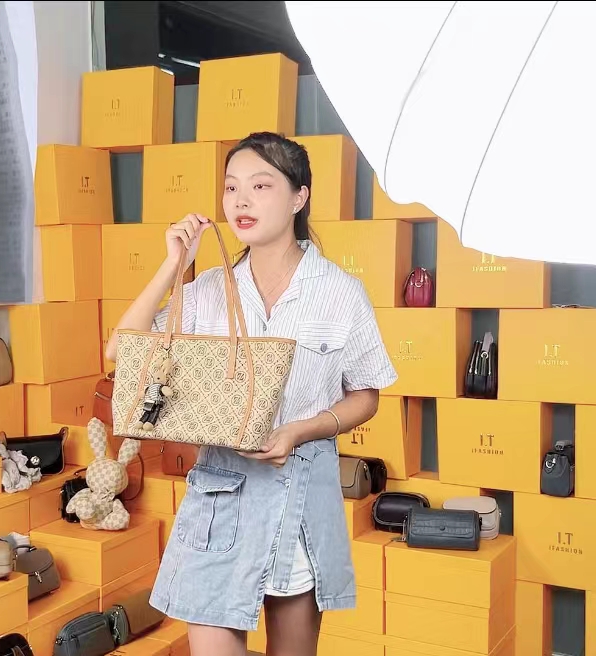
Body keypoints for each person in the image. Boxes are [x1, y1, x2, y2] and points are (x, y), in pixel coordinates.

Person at [105, 131, 398, 656]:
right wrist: (174, 264)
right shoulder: (209, 290)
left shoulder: (340, 293)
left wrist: (300, 430)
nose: (241, 200)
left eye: (261, 186)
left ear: (299, 197)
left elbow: (365, 395)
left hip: (300, 501)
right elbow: (120, 351)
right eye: (231, 187)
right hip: (220, 500)